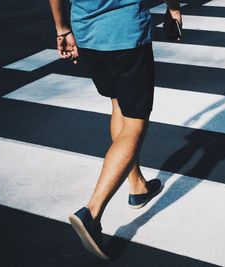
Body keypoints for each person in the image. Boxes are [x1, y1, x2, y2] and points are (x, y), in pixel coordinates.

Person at [48, 0, 182, 260]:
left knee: (118, 104)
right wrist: (174, 9)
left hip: (87, 33)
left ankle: (137, 186)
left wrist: (62, 29)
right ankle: (92, 212)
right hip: (125, 33)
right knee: (136, 122)